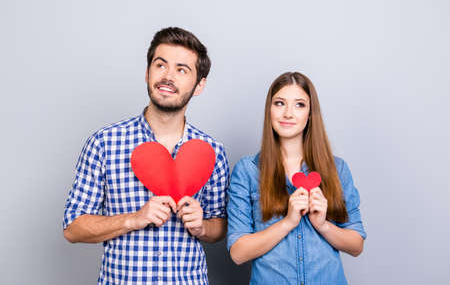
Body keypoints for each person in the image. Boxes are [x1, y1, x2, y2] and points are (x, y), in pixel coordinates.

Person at [63, 27, 229, 284]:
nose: (168, 76)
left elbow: (220, 225)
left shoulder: (212, 151)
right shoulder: (104, 143)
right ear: (147, 72)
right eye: (160, 65)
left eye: (182, 69)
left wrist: (202, 227)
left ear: (199, 85)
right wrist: (133, 219)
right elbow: (73, 228)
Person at [226, 72, 366, 285]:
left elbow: (356, 245)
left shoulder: (337, 169)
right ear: (269, 110)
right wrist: (288, 222)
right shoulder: (248, 171)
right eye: (280, 103)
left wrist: (323, 225)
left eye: (299, 105)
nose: (288, 113)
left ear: (310, 114)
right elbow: (238, 253)